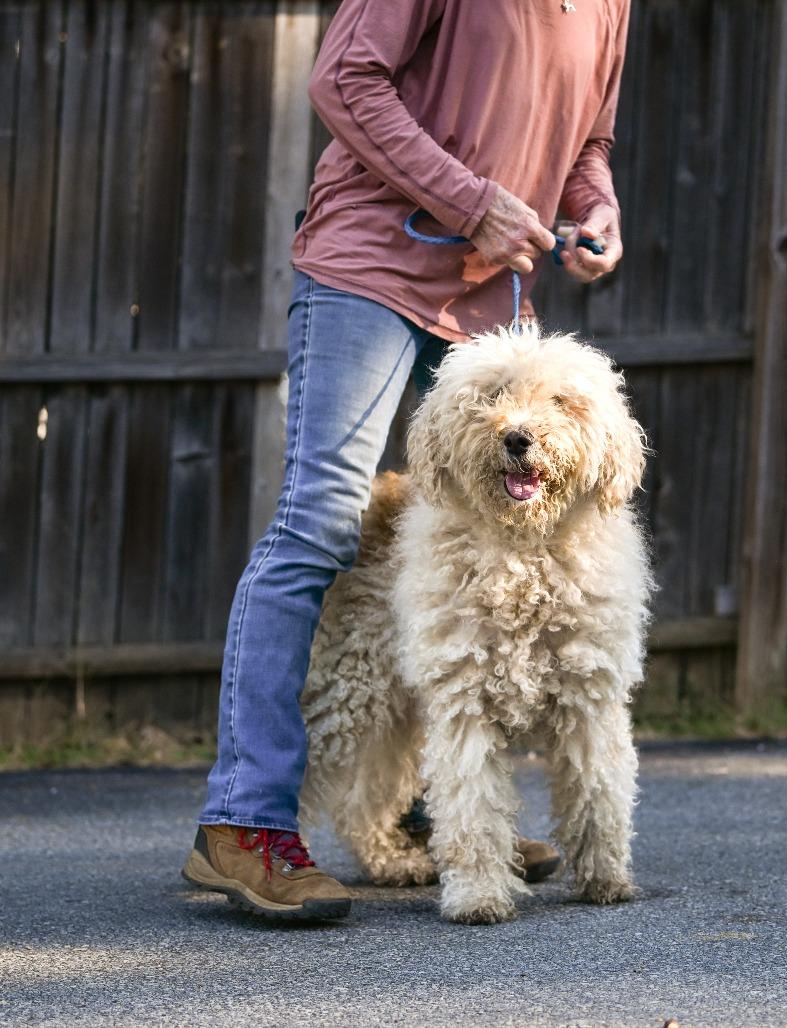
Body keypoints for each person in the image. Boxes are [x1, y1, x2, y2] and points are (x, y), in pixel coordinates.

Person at [181, 0, 630, 921]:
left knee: (483, 563)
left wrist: (594, 208)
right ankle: (244, 824)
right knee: (324, 523)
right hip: (372, 268)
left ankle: (435, 815)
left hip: (485, 295)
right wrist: (473, 201)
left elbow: (585, 140)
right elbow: (342, 79)